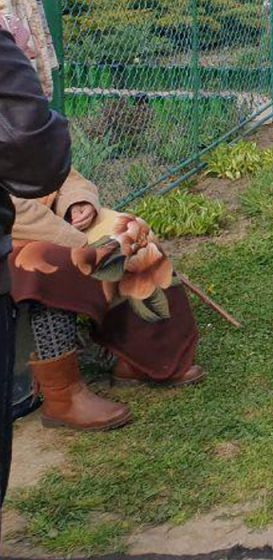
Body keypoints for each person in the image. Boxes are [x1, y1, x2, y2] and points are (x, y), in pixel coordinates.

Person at [8, 168, 203, 431]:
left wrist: (77, 202)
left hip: (51, 219)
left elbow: (60, 168)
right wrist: (75, 240)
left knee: (129, 230)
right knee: (51, 265)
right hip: (10, 231)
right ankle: (63, 398)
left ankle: (145, 356)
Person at [1, 28, 72, 506]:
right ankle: (64, 392)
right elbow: (33, 153)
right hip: (29, 229)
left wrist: (81, 203)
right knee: (51, 265)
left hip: (51, 209)